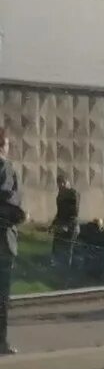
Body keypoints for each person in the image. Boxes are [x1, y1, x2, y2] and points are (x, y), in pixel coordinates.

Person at [0, 127, 26, 355]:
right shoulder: (5, 167)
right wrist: (22, 215)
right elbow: (8, 199)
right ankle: (1, 342)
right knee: (1, 296)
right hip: (2, 241)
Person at [50, 173, 79, 270]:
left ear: (67, 182)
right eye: (59, 183)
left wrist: (66, 225)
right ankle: (56, 268)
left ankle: (67, 270)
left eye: (62, 183)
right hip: (61, 224)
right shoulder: (60, 195)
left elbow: (74, 213)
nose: (60, 185)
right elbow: (59, 213)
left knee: (68, 249)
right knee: (56, 246)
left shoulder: (73, 194)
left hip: (71, 225)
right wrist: (52, 225)